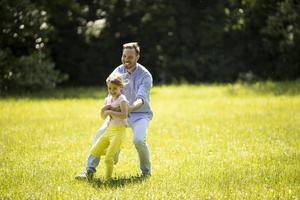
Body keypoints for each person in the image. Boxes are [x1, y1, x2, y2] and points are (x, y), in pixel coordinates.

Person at [76, 42, 153, 181]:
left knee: (139, 140)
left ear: (137, 57)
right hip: (118, 114)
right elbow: (110, 90)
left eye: (130, 57)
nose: (126, 60)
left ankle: (146, 173)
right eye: (124, 56)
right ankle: (89, 171)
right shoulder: (118, 71)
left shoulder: (145, 76)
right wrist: (108, 107)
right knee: (100, 135)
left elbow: (141, 99)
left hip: (139, 114)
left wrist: (129, 108)